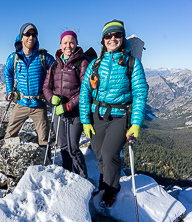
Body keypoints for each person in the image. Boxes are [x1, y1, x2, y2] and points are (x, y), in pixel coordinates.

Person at [79, 19, 148, 207]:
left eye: (117, 35)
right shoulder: (95, 64)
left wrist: (135, 124)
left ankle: (112, 189)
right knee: (100, 155)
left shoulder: (131, 63)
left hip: (119, 117)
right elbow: (85, 92)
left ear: (123, 37)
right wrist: (85, 120)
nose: (112, 38)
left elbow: (140, 94)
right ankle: (104, 182)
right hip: (97, 116)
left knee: (110, 154)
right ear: (103, 40)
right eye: (108, 35)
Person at [43, 30, 89, 179]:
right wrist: (51, 99)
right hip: (58, 111)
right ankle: (68, 174)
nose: (68, 45)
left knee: (73, 147)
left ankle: (82, 178)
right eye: (65, 42)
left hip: (74, 112)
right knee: (63, 146)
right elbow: (46, 87)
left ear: (76, 44)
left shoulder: (82, 63)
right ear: (60, 44)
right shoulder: (55, 65)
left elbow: (85, 90)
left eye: (71, 42)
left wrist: (68, 106)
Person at [4, 23, 55, 147]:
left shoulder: (43, 57)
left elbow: (57, 72)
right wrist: (9, 90)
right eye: (27, 34)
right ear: (21, 37)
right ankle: (8, 161)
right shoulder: (14, 58)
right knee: (9, 135)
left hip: (39, 104)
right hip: (21, 103)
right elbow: (8, 73)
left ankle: (46, 163)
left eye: (34, 35)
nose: (31, 37)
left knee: (43, 139)